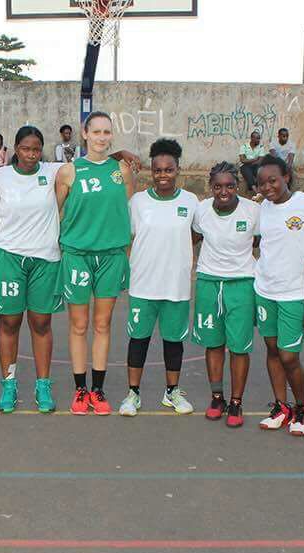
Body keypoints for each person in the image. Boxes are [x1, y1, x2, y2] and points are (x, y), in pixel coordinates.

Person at [55, 111, 135, 415]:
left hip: (111, 256)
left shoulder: (122, 171)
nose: (102, 137)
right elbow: (56, 211)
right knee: (79, 325)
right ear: (84, 134)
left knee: (103, 325)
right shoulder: (68, 172)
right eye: (96, 132)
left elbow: (126, 208)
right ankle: (80, 389)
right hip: (77, 255)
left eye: (107, 132)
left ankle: (98, 390)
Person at [0, 126, 66, 414]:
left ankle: (43, 385)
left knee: (42, 323)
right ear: (15, 149)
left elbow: (91, 164)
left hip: (45, 258)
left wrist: (121, 153)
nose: (31, 154)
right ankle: (9, 384)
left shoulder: (54, 171)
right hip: (10, 257)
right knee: (9, 323)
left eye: (36, 149)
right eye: (25, 148)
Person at [119, 138, 197, 417]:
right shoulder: (138, 202)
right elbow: (125, 235)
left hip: (175, 286)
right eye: (158, 170)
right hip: (143, 284)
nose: (163, 175)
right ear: (151, 172)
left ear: (178, 170)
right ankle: (133, 394)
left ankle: (172, 392)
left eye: (169, 169)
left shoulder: (190, 202)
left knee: (173, 341)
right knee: (138, 340)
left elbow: (197, 233)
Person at [254, 155, 304, 436]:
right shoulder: (263, 209)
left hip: (295, 294)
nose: (267, 187)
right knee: (272, 350)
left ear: (286, 176)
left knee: (289, 356)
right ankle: (281, 407)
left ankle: (300, 408)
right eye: (261, 183)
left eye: (273, 180)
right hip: (265, 291)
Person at [192, 162, 260, 428]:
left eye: (230, 185)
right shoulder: (201, 211)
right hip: (209, 281)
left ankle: (236, 402)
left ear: (238, 186)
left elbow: (260, 241)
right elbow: (194, 237)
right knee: (213, 343)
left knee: (239, 347)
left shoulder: (253, 211)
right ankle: (217, 397)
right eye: (218, 186)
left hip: (242, 284)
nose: (224, 191)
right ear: (211, 187)